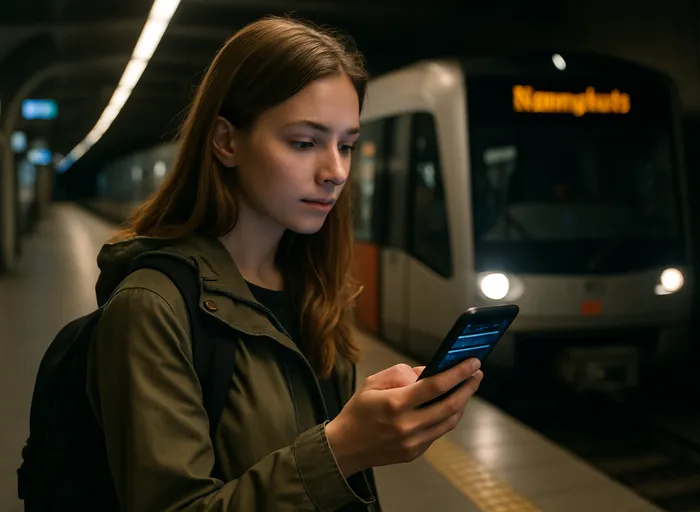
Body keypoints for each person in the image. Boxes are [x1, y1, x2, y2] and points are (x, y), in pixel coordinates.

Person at [87, 15, 484, 511]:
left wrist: (362, 430)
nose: (335, 172)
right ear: (226, 141)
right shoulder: (151, 308)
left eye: (347, 146)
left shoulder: (313, 285)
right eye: (304, 142)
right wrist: (342, 449)